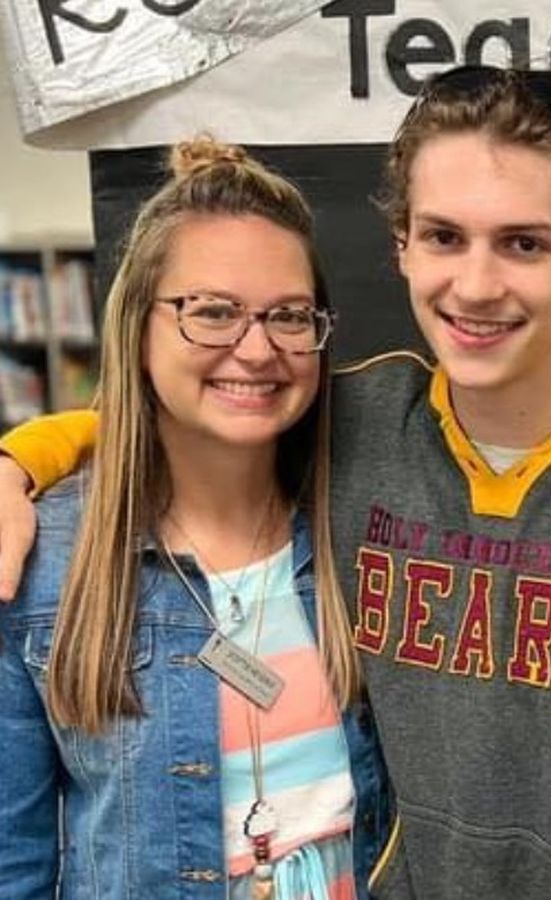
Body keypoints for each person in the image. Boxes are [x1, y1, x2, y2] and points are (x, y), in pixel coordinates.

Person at [0, 66, 551, 897]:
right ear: (401, 245)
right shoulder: (368, 423)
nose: (475, 285)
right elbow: (197, 412)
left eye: (524, 243)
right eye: (444, 237)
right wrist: (22, 459)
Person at [0, 138, 394, 898]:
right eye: (212, 312)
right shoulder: (43, 565)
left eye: (289, 315)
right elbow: (12, 862)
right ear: (137, 328)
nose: (258, 349)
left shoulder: (366, 530)